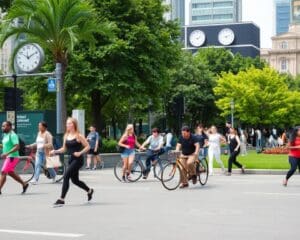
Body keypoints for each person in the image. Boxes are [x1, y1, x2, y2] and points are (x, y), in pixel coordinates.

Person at [50, 117, 93, 206]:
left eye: (70, 123)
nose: (68, 125)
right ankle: (89, 190)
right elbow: (64, 149)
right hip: (71, 159)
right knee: (75, 181)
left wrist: (80, 152)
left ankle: (61, 199)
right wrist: (55, 151)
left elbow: (88, 146)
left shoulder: (79, 136)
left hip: (78, 160)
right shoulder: (66, 136)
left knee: (66, 176)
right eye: (67, 123)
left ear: (74, 125)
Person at [0, 121, 29, 195]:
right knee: (10, 172)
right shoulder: (5, 135)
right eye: (2, 126)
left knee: (3, 172)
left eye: (4, 126)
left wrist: (7, 153)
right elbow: (6, 146)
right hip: (8, 157)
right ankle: (24, 184)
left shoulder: (13, 135)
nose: (2, 127)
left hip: (12, 157)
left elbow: (17, 146)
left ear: (9, 127)